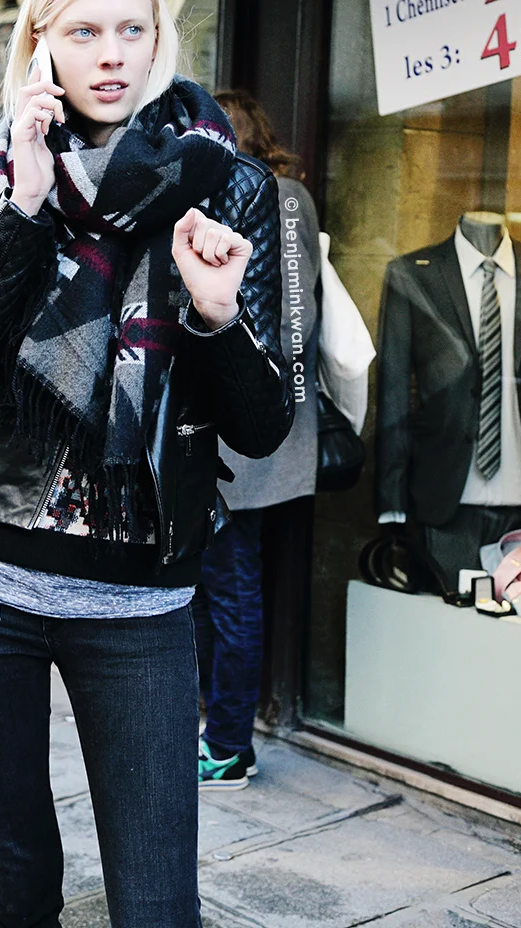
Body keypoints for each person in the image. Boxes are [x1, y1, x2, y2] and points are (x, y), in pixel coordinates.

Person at [0, 0, 293, 928]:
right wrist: (29, 204)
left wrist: (214, 314)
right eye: (83, 30)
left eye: (132, 28)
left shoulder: (231, 184)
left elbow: (261, 428)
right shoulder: (2, 169)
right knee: (19, 888)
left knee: (158, 901)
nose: (111, 52)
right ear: (40, 44)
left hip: (138, 599)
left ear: (161, 39)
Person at [193, 92, 320, 790]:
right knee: (219, 589)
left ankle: (230, 743)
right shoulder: (274, 195)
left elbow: (286, 317)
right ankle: (218, 725)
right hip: (244, 431)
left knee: (231, 589)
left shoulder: (271, 197)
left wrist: (251, 393)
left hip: (248, 434)